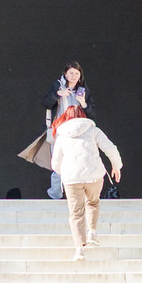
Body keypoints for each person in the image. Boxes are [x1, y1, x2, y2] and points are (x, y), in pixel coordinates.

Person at [50, 102, 122, 257]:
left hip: (72, 178)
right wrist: (116, 166)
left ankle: (79, 249)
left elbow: (55, 163)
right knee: (93, 202)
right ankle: (92, 233)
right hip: (94, 174)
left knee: (76, 213)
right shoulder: (93, 130)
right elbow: (111, 148)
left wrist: (65, 172)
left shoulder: (61, 136)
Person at [44, 62, 88, 199]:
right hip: (59, 130)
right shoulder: (58, 86)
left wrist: (83, 103)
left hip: (77, 132)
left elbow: (92, 113)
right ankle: (55, 194)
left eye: (76, 73)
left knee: (78, 163)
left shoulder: (83, 90)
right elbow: (45, 103)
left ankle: (75, 195)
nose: (74, 76)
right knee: (57, 163)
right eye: (71, 73)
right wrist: (58, 94)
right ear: (65, 74)